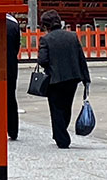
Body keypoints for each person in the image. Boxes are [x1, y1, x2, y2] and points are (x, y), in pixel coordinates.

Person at [38, 9, 91, 149]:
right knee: (67, 106)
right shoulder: (72, 36)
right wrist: (86, 78)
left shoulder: (46, 39)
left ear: (45, 25)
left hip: (55, 79)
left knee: (56, 108)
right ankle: (60, 133)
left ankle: (62, 138)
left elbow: (42, 60)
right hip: (72, 77)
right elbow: (81, 58)